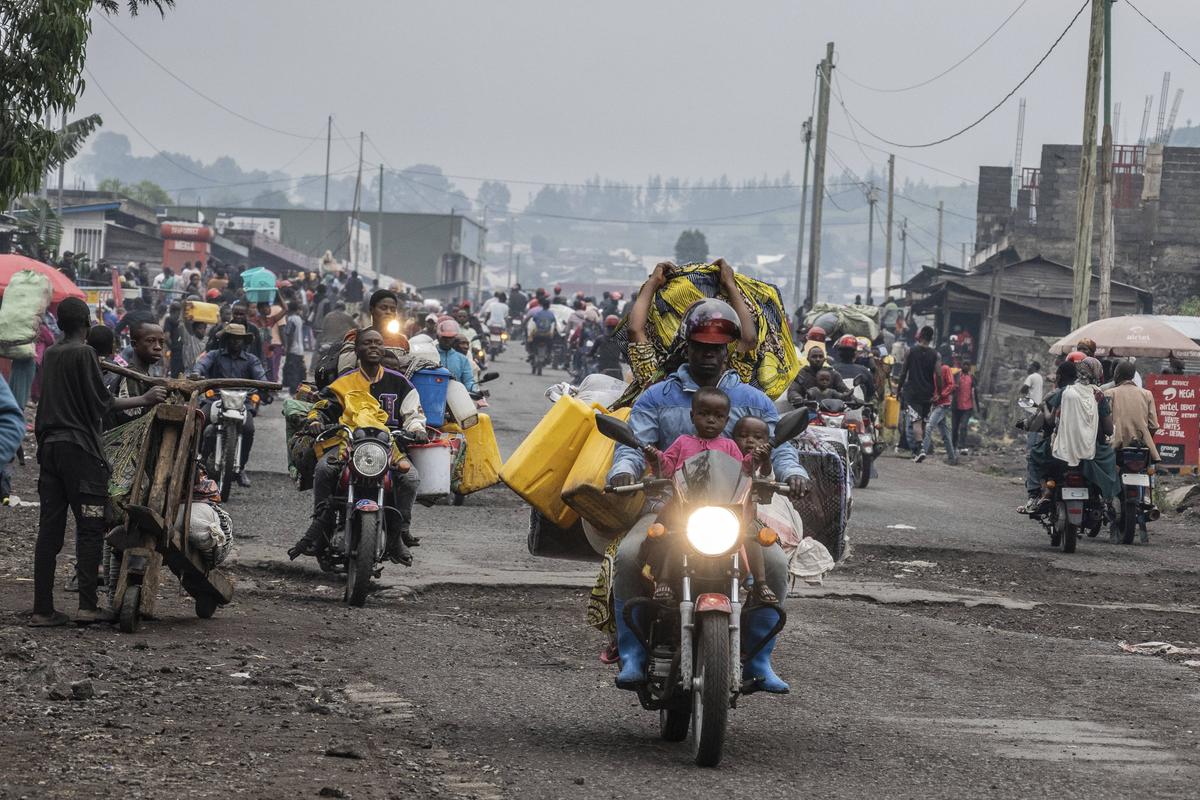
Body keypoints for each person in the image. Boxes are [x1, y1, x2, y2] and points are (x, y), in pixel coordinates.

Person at [606, 298, 809, 693]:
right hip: (669, 509)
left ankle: (759, 659)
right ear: (687, 345)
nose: (708, 355)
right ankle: (633, 654)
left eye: (716, 348)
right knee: (630, 557)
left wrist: (794, 474)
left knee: (776, 565)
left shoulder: (752, 400)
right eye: (701, 346)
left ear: (727, 350)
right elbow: (633, 445)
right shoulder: (657, 396)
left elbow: (780, 446)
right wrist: (624, 470)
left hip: (735, 514)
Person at [31, 298, 166, 626]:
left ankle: (42, 610)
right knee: (90, 529)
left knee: (49, 532)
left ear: (59, 324)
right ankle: (87, 606)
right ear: (88, 324)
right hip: (81, 452)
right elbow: (102, 403)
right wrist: (146, 399)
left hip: (49, 449)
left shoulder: (51, 353)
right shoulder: (85, 354)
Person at [289, 330, 426, 563]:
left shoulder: (401, 383)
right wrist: (315, 420)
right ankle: (320, 530)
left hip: (388, 446)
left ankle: (398, 534)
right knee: (324, 470)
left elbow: (413, 414)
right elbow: (322, 406)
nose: (373, 347)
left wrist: (417, 429)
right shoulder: (343, 383)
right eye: (367, 343)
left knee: (410, 478)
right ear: (357, 350)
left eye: (378, 343)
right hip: (348, 443)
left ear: (383, 349)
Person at [640, 388, 774, 604]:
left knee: (752, 535)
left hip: (723, 509)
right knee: (670, 533)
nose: (711, 420)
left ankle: (759, 582)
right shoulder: (682, 442)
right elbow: (666, 468)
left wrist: (758, 457)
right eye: (704, 414)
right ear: (693, 416)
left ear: (726, 420)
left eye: (718, 416)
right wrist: (654, 456)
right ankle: (663, 577)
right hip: (685, 508)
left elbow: (742, 471)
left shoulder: (729, 445)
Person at [192, 324, 268, 487]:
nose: (236, 342)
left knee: (248, 429)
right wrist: (197, 374)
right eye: (232, 338)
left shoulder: (251, 360)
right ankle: (196, 461)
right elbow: (201, 365)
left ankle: (240, 468)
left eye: (239, 339)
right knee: (200, 420)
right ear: (226, 339)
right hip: (216, 400)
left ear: (244, 341)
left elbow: (260, 376)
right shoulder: (214, 355)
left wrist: (265, 386)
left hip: (242, 402)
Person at [104, 323, 165, 429]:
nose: (158, 347)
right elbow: (130, 418)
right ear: (134, 344)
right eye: (150, 341)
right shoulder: (131, 376)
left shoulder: (143, 374)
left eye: (161, 342)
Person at [897, 325, 938, 456]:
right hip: (928, 393)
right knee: (924, 422)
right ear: (931, 338)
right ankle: (922, 448)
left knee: (916, 421)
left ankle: (919, 449)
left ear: (920, 336)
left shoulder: (910, 351)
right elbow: (939, 375)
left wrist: (899, 389)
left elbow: (903, 372)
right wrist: (939, 392)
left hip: (912, 393)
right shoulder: (936, 355)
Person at [918, 357, 958, 465]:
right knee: (945, 433)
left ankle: (922, 453)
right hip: (937, 404)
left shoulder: (945, 369)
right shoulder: (933, 372)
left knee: (929, 426)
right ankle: (952, 457)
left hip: (943, 404)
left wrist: (940, 395)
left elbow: (951, 385)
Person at [828, 334, 876, 402]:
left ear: (839, 352)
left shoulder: (831, 370)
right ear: (855, 353)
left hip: (834, 409)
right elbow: (870, 393)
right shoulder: (864, 371)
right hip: (858, 408)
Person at [435, 319, 476, 391]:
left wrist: (475, 390)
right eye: (444, 338)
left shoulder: (462, 359)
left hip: (456, 397)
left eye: (450, 338)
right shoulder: (431, 354)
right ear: (438, 337)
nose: (448, 341)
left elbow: (468, 380)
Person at [952, 361, 979, 455]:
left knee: (963, 427)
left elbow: (975, 393)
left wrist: (977, 408)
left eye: (968, 365)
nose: (966, 366)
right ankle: (952, 445)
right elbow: (951, 387)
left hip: (968, 407)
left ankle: (962, 446)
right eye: (964, 364)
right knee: (954, 428)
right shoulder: (956, 376)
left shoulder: (972, 378)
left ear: (970, 367)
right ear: (962, 366)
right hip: (956, 406)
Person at [525, 296, 558, 368]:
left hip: (537, 335)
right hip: (547, 336)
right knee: (551, 345)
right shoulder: (551, 314)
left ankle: (532, 353)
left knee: (531, 342)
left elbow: (533, 322)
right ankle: (548, 355)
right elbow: (554, 324)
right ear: (549, 306)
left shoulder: (537, 313)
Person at [282, 300, 306, 393]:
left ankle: (293, 389)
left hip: (293, 349)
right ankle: (298, 388)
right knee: (298, 369)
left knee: (293, 371)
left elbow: (290, 335)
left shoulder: (291, 319)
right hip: (300, 349)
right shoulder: (299, 319)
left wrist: (288, 348)